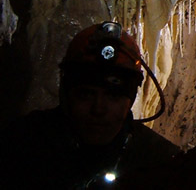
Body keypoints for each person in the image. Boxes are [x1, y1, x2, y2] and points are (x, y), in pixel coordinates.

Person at [0, 21, 179, 188]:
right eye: (86, 94)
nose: (98, 109)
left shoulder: (159, 163)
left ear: (130, 99)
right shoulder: (21, 147)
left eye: (113, 96)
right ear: (66, 94)